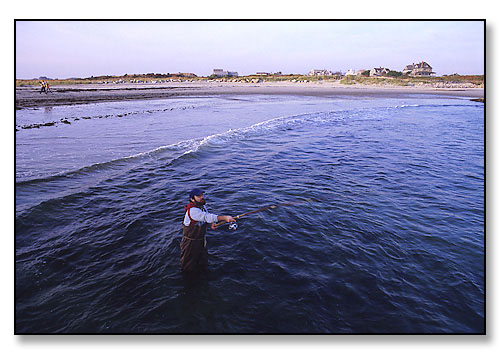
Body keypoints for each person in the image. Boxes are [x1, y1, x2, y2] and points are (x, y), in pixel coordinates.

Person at [180, 188, 235, 273]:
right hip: (190, 243)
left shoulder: (202, 206)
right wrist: (224, 218)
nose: (202, 197)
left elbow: (207, 217)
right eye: (199, 196)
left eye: (202, 195)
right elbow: (206, 217)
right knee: (188, 266)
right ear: (192, 199)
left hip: (201, 240)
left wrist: (211, 223)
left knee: (203, 261)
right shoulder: (192, 211)